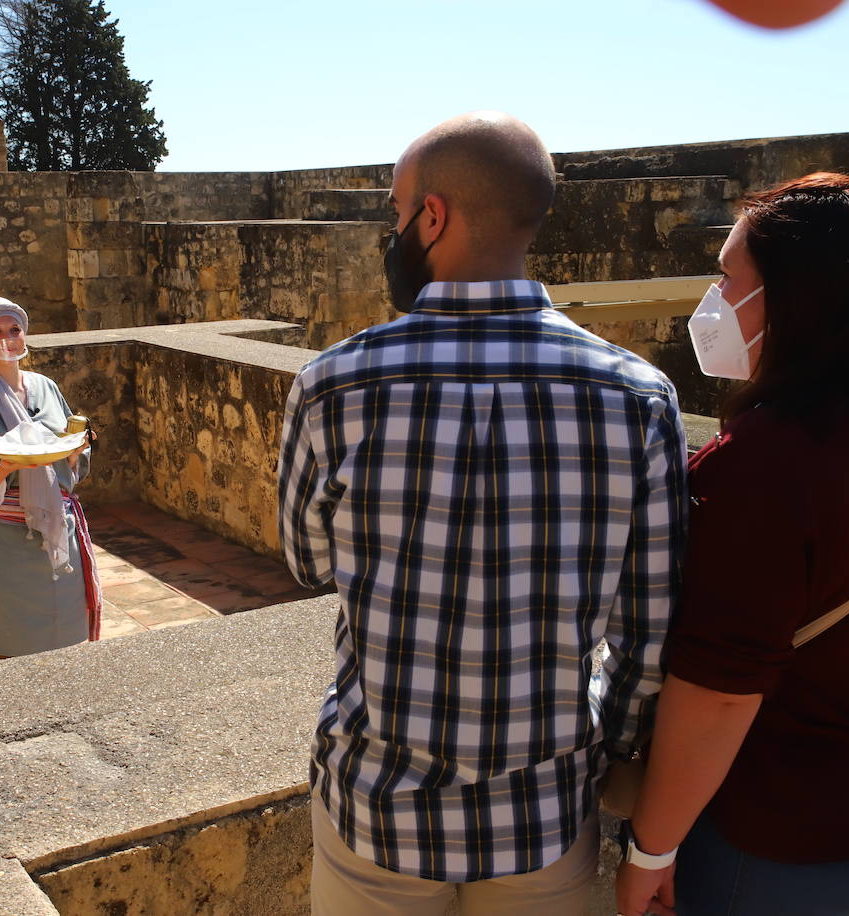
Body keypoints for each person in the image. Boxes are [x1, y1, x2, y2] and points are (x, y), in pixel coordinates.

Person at [277, 111, 688, 915]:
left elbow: (308, 561)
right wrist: (612, 750)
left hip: (376, 805)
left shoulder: (334, 386)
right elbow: (648, 630)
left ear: (433, 217)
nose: (393, 233)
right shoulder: (637, 396)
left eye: (397, 214)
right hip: (544, 812)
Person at [615, 173, 849, 916]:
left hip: (789, 837)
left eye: (726, 276)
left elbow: (718, 694)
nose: (713, 298)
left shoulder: (764, 465)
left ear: (789, 297)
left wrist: (650, 849)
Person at [0, 296, 101, 662]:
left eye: (14, 330)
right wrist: (6, 468)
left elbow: (69, 459)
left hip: (57, 535)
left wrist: (77, 450)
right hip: (5, 545)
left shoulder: (46, 388)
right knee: (6, 647)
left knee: (63, 640)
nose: (7, 339)